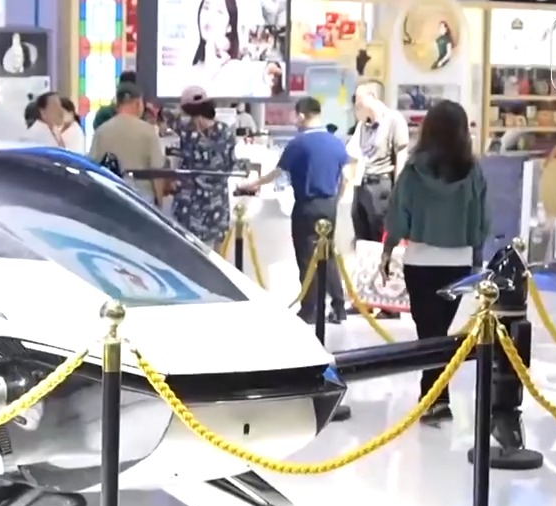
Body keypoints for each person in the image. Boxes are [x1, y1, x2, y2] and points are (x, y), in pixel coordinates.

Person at [379, 100, 490, 425]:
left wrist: (387, 250)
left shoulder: (413, 171)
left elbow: (398, 214)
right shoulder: (473, 172)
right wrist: (477, 257)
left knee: (428, 332)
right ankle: (436, 399)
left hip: (420, 260)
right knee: (441, 332)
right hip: (458, 260)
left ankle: (434, 398)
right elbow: (481, 219)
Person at [240, 96, 350, 324]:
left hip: (306, 205)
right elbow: (346, 177)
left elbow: (277, 173)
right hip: (329, 205)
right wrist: (335, 200)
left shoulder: (298, 144)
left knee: (306, 257)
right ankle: (339, 307)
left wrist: (253, 184)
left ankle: (310, 309)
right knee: (328, 256)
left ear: (301, 115)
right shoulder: (337, 142)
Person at [350, 80, 409, 319]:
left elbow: (401, 155)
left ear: (372, 97)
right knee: (362, 242)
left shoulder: (394, 120)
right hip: (362, 184)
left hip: (382, 186)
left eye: (359, 99)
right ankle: (364, 298)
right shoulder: (363, 125)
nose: (356, 104)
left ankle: (389, 304)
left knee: (383, 243)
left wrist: (398, 191)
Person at [163, 86, 236, 248]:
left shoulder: (186, 131)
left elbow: (165, 113)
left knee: (187, 253)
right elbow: (230, 165)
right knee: (213, 256)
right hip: (217, 204)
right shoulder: (226, 131)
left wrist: (182, 109)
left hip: (189, 206)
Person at [88, 82, 167, 205]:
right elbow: (156, 172)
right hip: (142, 199)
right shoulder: (148, 131)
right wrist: (159, 203)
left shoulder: (102, 131)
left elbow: (92, 167)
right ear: (137, 103)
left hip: (110, 195)